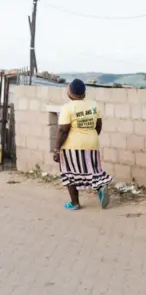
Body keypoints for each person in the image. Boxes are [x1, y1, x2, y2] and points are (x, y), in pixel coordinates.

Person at [53, 79, 112, 210]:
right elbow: (99, 125)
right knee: (93, 170)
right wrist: (90, 136)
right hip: (92, 143)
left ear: (70, 92)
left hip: (72, 146)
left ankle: (75, 203)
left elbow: (63, 130)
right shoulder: (93, 105)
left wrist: (57, 149)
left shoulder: (67, 108)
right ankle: (101, 187)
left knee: (69, 173)